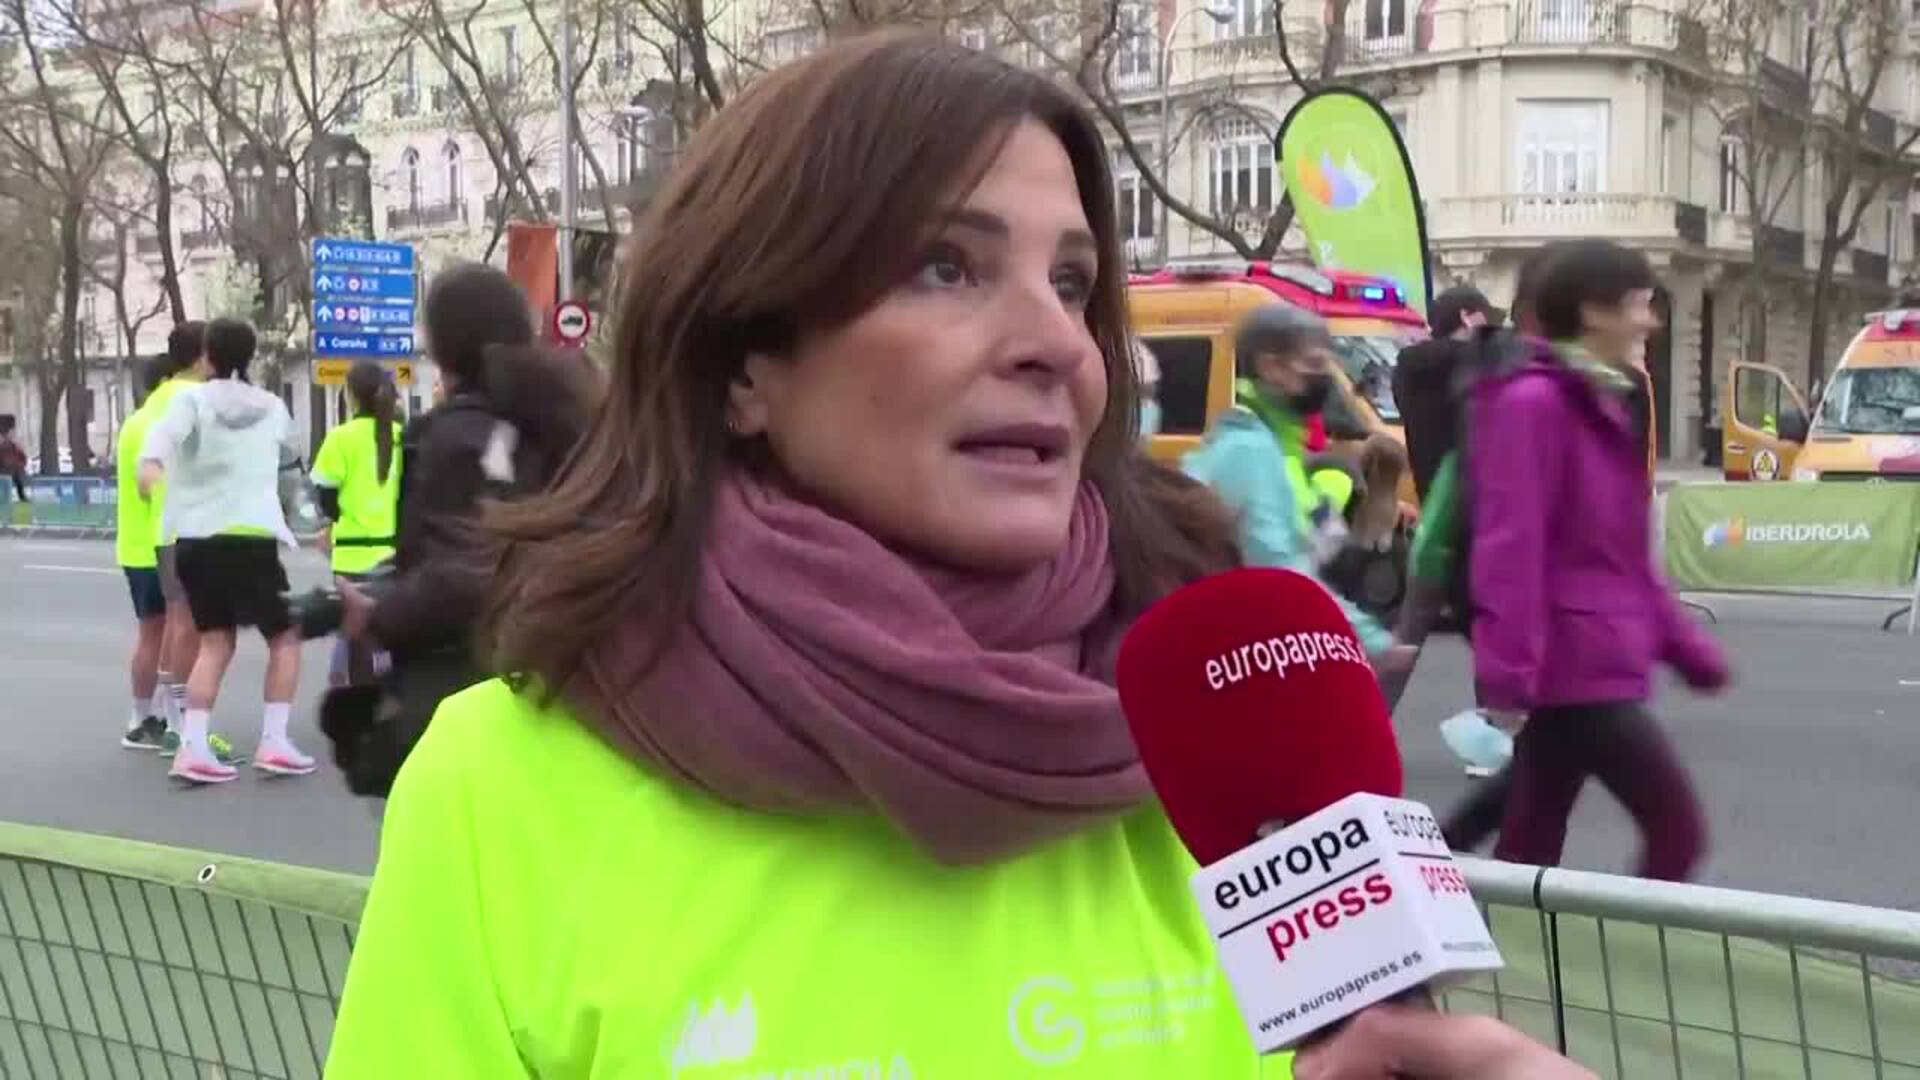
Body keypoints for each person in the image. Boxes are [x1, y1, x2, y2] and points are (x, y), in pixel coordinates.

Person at [1471, 239, 1728, 881]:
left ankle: (1436, 937)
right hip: (1576, 668)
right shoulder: (1538, 404)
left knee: (1524, 842)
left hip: (1587, 661)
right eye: (1642, 306)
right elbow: (1512, 545)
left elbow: (1621, 557)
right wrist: (1507, 675)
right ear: (1593, 313)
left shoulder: (1600, 403)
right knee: (1677, 832)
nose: (1652, 322)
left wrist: (1686, 648)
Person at [319, 267, 597, 798]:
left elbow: (467, 570)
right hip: (558, 685)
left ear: (442, 347)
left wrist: (381, 612)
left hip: (464, 691)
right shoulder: (568, 417)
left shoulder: (456, 435)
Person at [1182, 304, 1411, 673]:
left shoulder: (1268, 446)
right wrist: (1365, 639)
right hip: (1236, 653)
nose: (1325, 380)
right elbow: (1281, 572)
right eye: (1316, 364)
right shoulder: (1249, 451)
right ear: (1271, 368)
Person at [138, 318, 312, 783]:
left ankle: (193, 747)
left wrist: (154, 478)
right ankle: (274, 741)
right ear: (250, 356)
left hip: (195, 540)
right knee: (284, 637)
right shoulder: (273, 407)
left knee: (215, 642)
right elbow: (290, 464)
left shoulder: (188, 400)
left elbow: (153, 454)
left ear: (207, 356)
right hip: (251, 539)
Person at [310, 362, 405, 687]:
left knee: (352, 631)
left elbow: (325, 496)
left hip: (350, 554)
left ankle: (349, 698)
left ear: (350, 396)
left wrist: (335, 522)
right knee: (386, 632)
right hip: (395, 554)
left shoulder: (340, 439)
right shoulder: (401, 437)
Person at [148, 322, 213, 757]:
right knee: (189, 627)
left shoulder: (158, 397)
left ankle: (169, 717)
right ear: (199, 357)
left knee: (178, 623)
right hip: (189, 527)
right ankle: (182, 727)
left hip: (168, 525)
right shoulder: (194, 399)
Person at [113, 356, 178, 751]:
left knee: (151, 633)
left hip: (135, 547)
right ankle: (171, 719)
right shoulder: (162, 426)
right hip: (162, 543)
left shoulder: (134, 423)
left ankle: (141, 717)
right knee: (173, 632)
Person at [0, 414, 27, 502]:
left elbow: (22, 458)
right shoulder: (8, 446)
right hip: (6, 470)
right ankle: (19, 497)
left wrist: (19, 465)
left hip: (12, 470)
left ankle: (21, 496)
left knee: (17, 477)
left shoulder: (14, 446)